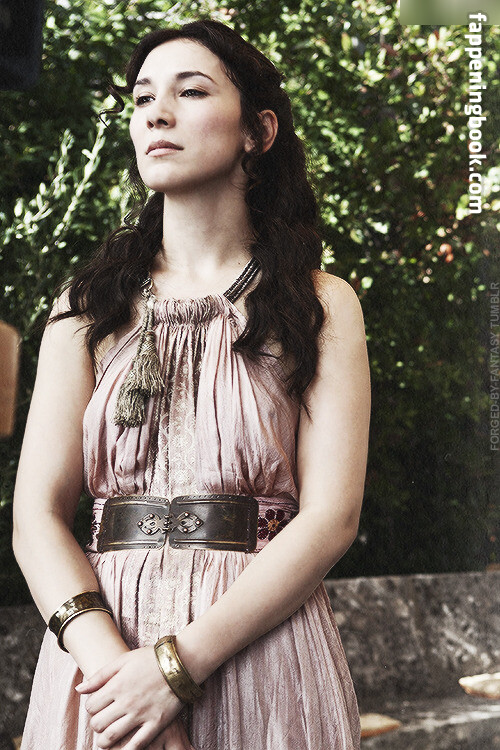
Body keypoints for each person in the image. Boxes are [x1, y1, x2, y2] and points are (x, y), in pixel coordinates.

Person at [13, 18, 371, 750]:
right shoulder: (86, 306)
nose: (157, 114)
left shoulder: (319, 302)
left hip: (260, 651)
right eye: (143, 98)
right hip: (101, 664)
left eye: (192, 91)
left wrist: (174, 670)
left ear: (257, 131)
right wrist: (121, 684)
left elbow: (331, 519)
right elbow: (35, 518)